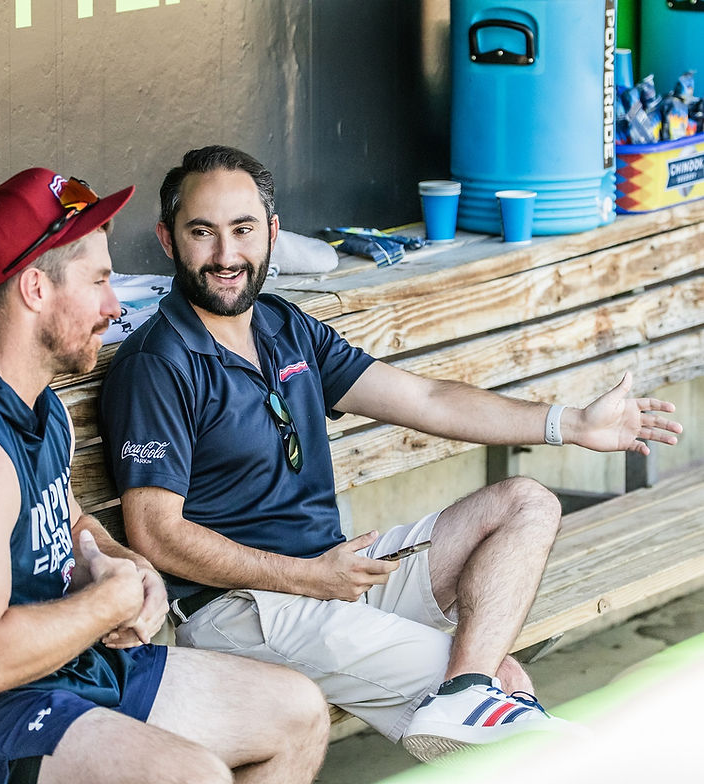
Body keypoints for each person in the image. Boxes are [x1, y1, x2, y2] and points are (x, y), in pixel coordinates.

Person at [98, 145, 684, 763]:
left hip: (333, 574)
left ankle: (465, 690)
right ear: (168, 240)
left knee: (527, 504)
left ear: (271, 232)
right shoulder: (157, 364)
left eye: (242, 230)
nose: (225, 255)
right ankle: (481, 701)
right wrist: (308, 578)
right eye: (201, 233)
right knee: (507, 690)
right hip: (240, 609)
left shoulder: (283, 325)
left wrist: (569, 422)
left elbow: (426, 398)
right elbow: (155, 535)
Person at [0, 166, 330, 784]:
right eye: (99, 280)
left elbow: (65, 518)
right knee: (190, 775)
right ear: (35, 290)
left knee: (296, 713)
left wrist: (121, 564)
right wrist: (106, 603)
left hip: (61, 673)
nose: (114, 304)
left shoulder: (35, 404)